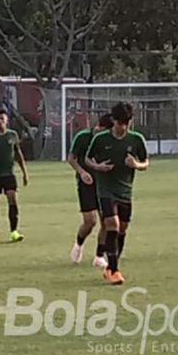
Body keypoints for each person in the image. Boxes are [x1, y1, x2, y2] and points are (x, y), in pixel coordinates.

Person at [86, 102, 149, 285]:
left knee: (122, 228)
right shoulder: (101, 139)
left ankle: (111, 266)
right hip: (105, 189)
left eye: (126, 123)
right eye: (119, 123)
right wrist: (97, 167)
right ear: (113, 121)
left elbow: (146, 163)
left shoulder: (136, 139)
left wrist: (136, 165)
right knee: (111, 223)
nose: (122, 127)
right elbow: (88, 159)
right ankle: (114, 270)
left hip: (125, 190)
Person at [68, 113, 113, 269]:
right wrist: (82, 172)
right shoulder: (83, 137)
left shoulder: (109, 140)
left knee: (107, 221)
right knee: (90, 221)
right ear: (100, 127)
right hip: (86, 183)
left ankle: (99, 256)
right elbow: (71, 158)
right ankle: (78, 245)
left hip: (104, 184)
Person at [0, 109, 29, 244]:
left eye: (2, 118)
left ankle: (14, 231)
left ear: (6, 120)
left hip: (9, 174)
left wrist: (25, 172)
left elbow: (18, 155)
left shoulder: (12, 135)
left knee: (12, 200)